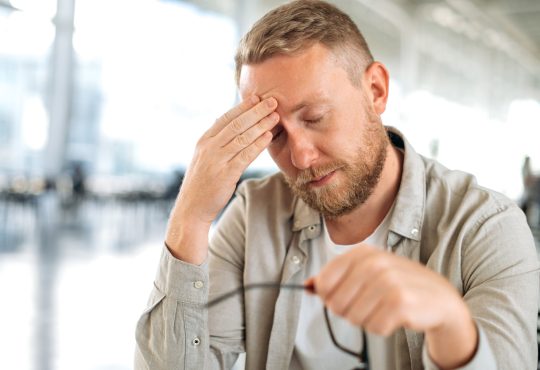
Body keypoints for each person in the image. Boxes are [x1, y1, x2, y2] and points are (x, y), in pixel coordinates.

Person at [135, 1, 539, 369]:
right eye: (273, 134)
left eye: (314, 117)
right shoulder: (253, 214)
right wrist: (190, 215)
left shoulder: (486, 227)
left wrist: (450, 325)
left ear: (376, 90)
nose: (300, 158)